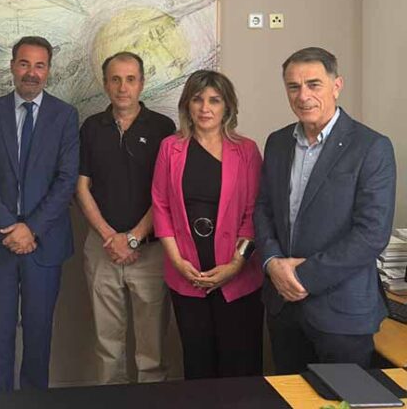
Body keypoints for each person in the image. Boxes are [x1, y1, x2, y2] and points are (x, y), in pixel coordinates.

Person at [254, 47, 396, 374]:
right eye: (293, 86)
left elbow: (372, 234)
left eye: (313, 84)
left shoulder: (371, 147)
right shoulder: (277, 142)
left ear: (337, 85)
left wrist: (302, 276)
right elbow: (263, 209)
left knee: (341, 397)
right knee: (290, 395)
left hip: (341, 314)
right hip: (283, 307)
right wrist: (272, 263)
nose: (303, 96)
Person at [0, 36, 79, 392]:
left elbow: (66, 180)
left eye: (39, 65)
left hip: (44, 244)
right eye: (24, 63)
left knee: (38, 334)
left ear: (48, 70)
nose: (31, 72)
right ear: (12, 66)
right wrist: (9, 226)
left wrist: (31, 229)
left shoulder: (65, 116)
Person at [151, 69, 264, 379]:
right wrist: (177, 261)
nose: (205, 108)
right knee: (198, 363)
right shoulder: (170, 148)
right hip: (187, 274)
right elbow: (160, 206)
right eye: (197, 99)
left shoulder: (247, 150)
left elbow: (255, 213)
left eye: (214, 100)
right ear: (187, 105)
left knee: (239, 364)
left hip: (237, 276)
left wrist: (236, 265)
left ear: (227, 107)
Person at [76, 52, 175, 384]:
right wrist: (110, 237)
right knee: (107, 346)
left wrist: (133, 238)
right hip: (101, 249)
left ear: (142, 83)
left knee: (152, 350)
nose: (123, 87)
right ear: (105, 84)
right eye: (115, 79)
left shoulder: (162, 128)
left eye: (130, 79)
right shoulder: (92, 127)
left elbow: (165, 193)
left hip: (150, 250)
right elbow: (82, 187)